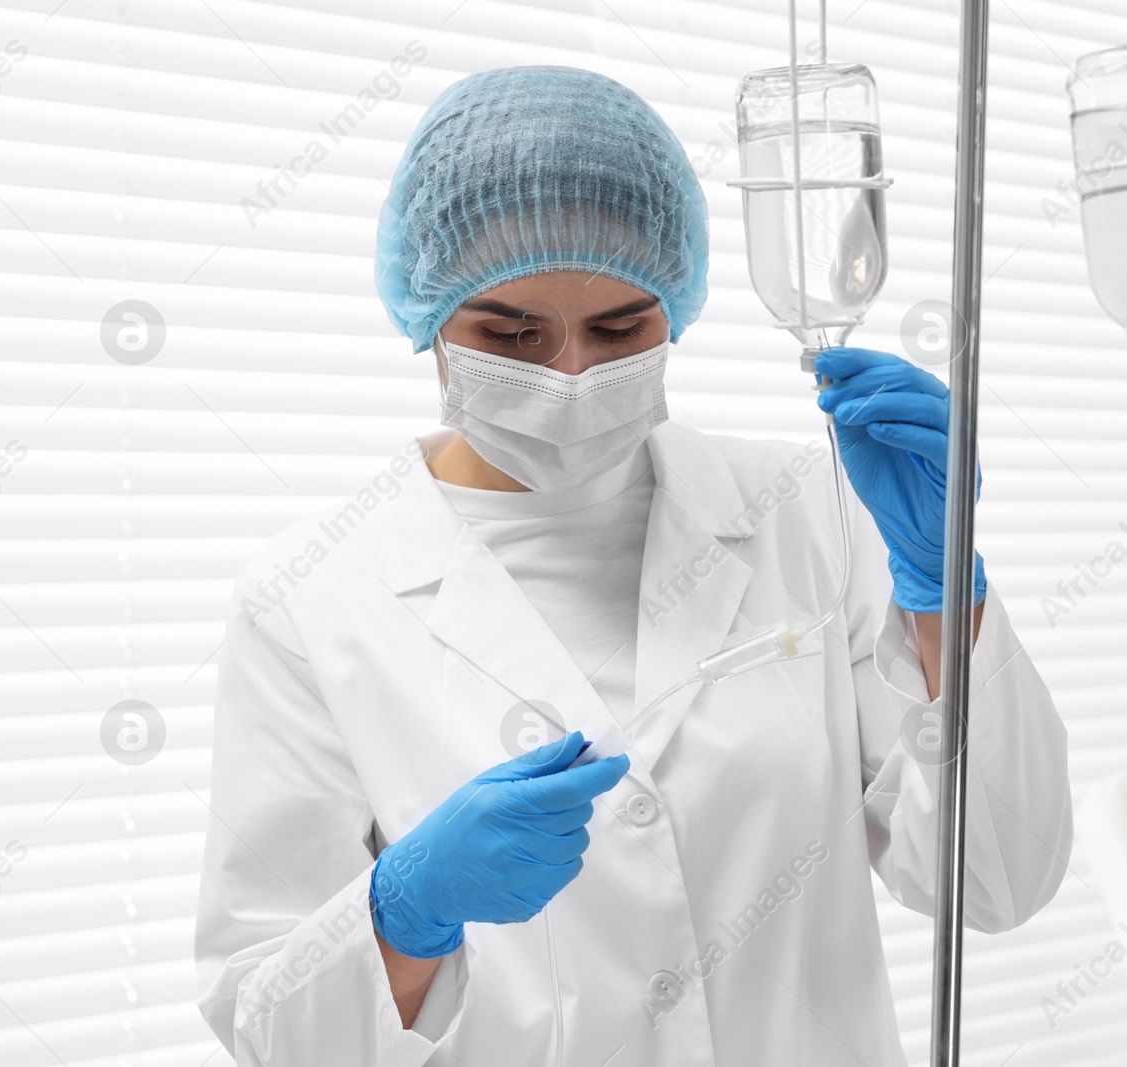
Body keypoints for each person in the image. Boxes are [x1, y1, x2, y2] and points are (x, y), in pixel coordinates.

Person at [194, 64, 1071, 1066]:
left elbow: (999, 878)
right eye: (509, 334)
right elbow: (269, 1021)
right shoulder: (309, 592)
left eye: (620, 328)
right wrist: (407, 908)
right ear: (426, 312)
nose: (570, 373)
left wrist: (943, 592)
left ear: (678, 306)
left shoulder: (809, 512)